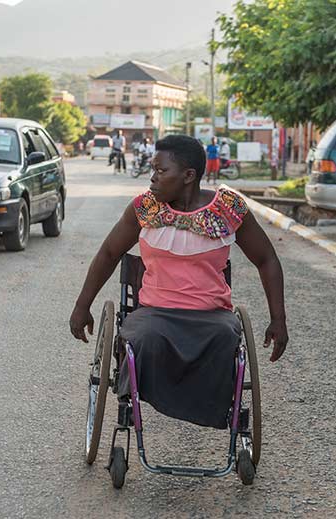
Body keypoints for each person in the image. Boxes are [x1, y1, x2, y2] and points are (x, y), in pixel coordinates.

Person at [69, 135, 288, 429]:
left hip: (212, 316)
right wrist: (82, 306)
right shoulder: (145, 209)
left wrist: (279, 320)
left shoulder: (227, 209)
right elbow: (109, 253)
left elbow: (267, 260)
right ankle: (138, 401)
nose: (152, 178)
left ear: (188, 176)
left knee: (226, 339)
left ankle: (216, 411)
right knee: (142, 340)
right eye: (153, 169)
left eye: (161, 171)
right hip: (155, 313)